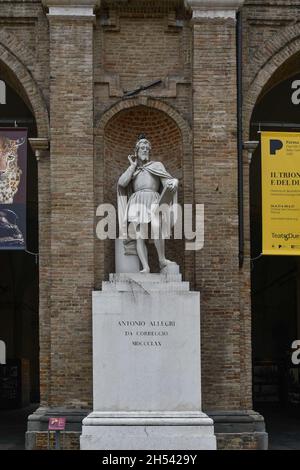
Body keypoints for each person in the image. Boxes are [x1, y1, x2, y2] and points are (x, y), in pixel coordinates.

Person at [117, 135, 178, 273]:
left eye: (147, 148)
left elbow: (167, 182)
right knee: (139, 235)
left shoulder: (156, 165)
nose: (145, 150)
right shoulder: (134, 170)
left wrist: (174, 182)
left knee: (158, 229)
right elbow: (121, 183)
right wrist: (132, 167)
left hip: (154, 198)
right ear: (136, 151)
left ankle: (162, 260)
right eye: (142, 148)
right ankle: (145, 266)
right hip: (137, 200)